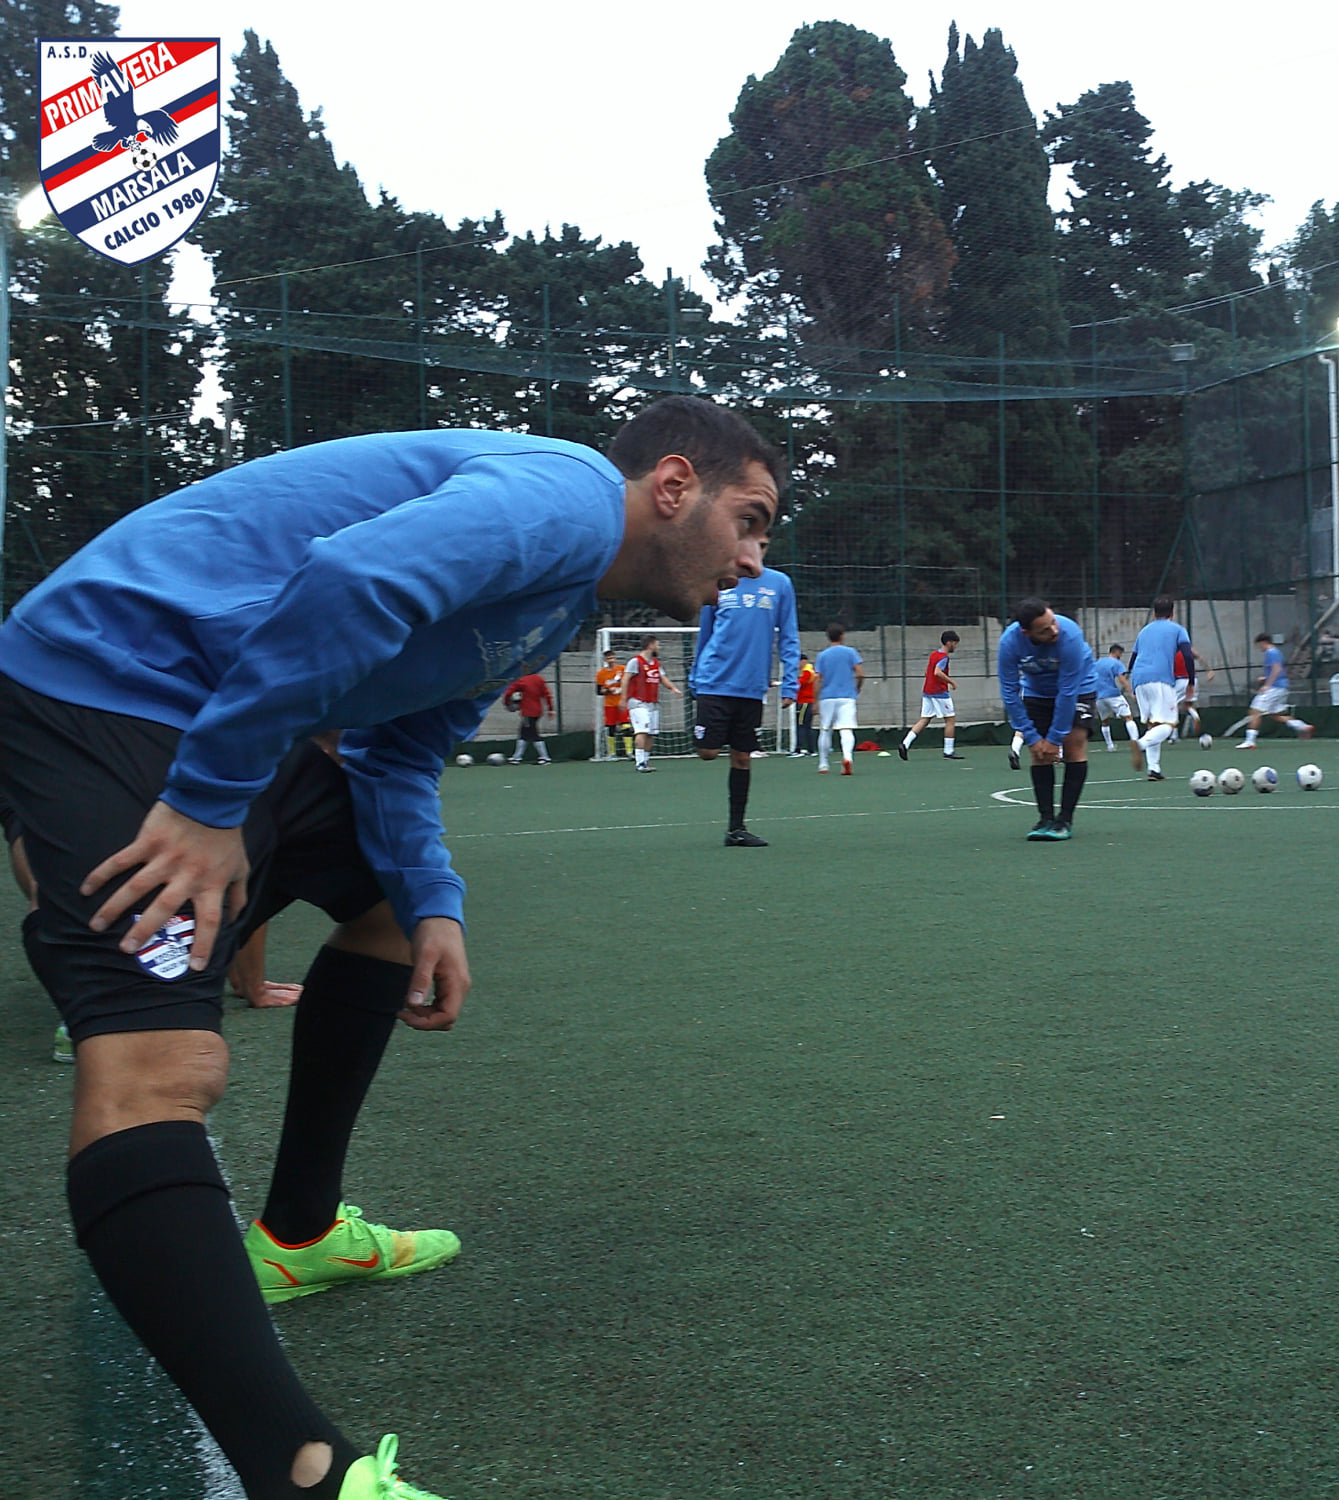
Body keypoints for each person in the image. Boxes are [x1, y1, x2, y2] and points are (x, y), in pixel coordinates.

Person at [0, 394, 780, 1500]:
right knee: (157, 1073)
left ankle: (300, 1234)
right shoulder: (562, 497)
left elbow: (400, 757)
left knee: (382, 917)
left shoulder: (560, 601)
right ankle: (304, 1477)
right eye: (748, 521)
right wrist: (209, 799)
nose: (752, 559)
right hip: (104, 683)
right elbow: (350, 581)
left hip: (222, 709)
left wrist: (435, 902)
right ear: (670, 487)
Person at [690, 561, 800, 846]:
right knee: (707, 752)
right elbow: (705, 633)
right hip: (714, 680)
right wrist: (695, 677)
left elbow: (789, 637)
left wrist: (790, 682)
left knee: (742, 756)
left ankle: (736, 829)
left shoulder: (779, 584)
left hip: (751, 687)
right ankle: (716, 731)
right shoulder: (718, 579)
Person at [996, 598, 1095, 839]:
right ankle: (1045, 819)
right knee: (1039, 754)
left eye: (1053, 622)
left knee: (1073, 744)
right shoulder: (1009, 643)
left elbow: (1068, 691)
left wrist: (1054, 738)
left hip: (1079, 687)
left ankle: (1065, 821)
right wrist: (1032, 737)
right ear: (1026, 632)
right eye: (1045, 630)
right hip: (1037, 691)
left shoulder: (1069, 634)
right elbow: (1009, 693)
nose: (1054, 631)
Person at [1126, 597, 1192, 781]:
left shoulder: (1144, 631)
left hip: (1139, 679)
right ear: (1172, 612)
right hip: (1160, 679)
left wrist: (1132, 682)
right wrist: (1192, 682)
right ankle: (1139, 744)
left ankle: (1153, 769)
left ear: (1154, 613)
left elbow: (1133, 658)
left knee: (1153, 724)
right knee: (1169, 725)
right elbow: (1187, 654)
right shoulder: (1178, 629)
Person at [1238, 633, 1314, 748]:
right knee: (1273, 715)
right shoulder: (1276, 652)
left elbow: (1277, 669)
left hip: (1275, 687)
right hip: (1281, 687)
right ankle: (1302, 726)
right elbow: (1279, 670)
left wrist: (1267, 685)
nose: (1259, 648)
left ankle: (1250, 741)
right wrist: (1266, 678)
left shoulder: (1271, 652)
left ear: (1263, 642)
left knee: (1255, 711)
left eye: (1259, 646)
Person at [899, 630, 965, 761]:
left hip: (927, 691)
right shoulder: (943, 657)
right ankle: (948, 751)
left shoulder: (934, 654)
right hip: (939, 693)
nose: (955, 646)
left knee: (925, 719)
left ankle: (905, 744)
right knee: (950, 720)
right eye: (955, 644)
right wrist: (951, 682)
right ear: (949, 643)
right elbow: (937, 672)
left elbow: (927, 672)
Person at [622, 636, 684, 773]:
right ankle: (639, 763)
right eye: (657, 644)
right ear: (650, 645)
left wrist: (673, 688)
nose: (659, 647)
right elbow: (625, 679)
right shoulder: (635, 661)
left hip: (653, 703)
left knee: (651, 733)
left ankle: (645, 761)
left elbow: (662, 678)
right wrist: (623, 698)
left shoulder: (656, 663)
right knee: (641, 731)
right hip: (638, 702)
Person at [815, 624, 864, 774]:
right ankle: (847, 758)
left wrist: (815, 700)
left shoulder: (822, 655)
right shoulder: (850, 652)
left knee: (825, 729)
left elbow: (818, 679)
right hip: (847, 696)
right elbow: (860, 673)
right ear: (842, 636)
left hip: (827, 697)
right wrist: (857, 688)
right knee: (846, 729)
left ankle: (823, 764)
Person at [1089, 644, 1143, 762]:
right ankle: (1136, 742)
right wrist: (1131, 693)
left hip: (1099, 696)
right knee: (1128, 717)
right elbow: (1122, 679)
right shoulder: (1117, 664)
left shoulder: (1098, 663)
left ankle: (1110, 745)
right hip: (1113, 695)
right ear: (1117, 652)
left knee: (1105, 721)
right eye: (1120, 654)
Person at [502, 670, 553, 765]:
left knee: (532, 734)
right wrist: (550, 708)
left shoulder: (522, 681)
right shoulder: (539, 679)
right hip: (538, 711)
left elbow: (509, 692)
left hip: (528, 712)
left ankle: (545, 758)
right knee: (524, 733)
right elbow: (547, 694)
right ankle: (517, 757)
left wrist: (507, 703)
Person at [594, 649, 632, 758]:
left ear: (615, 658)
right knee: (611, 728)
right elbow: (599, 691)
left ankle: (629, 752)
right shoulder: (601, 674)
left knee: (626, 726)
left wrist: (621, 690)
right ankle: (612, 753)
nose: (610, 660)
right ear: (605, 660)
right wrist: (609, 690)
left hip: (622, 703)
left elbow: (629, 683)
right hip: (609, 705)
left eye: (612, 657)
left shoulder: (622, 669)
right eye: (608, 658)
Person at [792, 657, 817, 756]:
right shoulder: (812, 671)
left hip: (804, 702)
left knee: (800, 725)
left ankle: (799, 749)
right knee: (807, 726)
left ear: (803, 661)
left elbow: (799, 685)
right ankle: (811, 749)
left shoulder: (807, 672)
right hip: (809, 701)